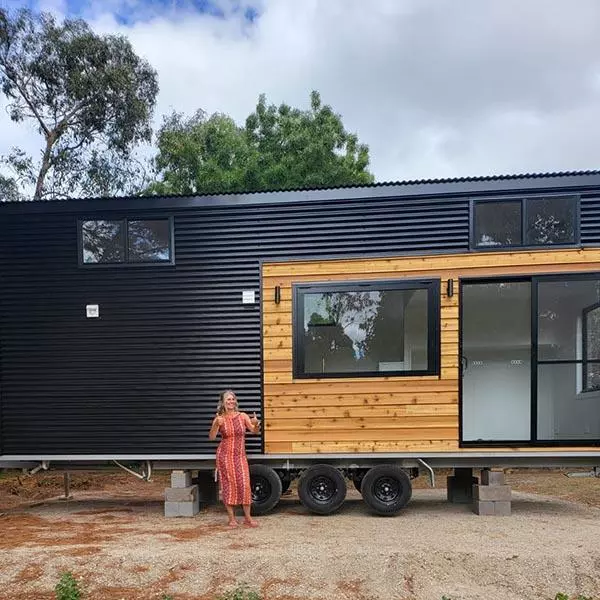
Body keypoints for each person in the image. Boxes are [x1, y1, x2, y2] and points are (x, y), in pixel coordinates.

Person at [209, 389, 261, 528]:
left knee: (244, 484)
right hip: (225, 456)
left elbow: (254, 431)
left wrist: (256, 423)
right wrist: (215, 424)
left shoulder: (242, 416)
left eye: (233, 399)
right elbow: (212, 437)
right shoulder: (220, 418)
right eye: (228, 399)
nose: (231, 401)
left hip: (239, 456)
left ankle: (247, 518)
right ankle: (231, 519)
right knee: (228, 485)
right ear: (223, 402)